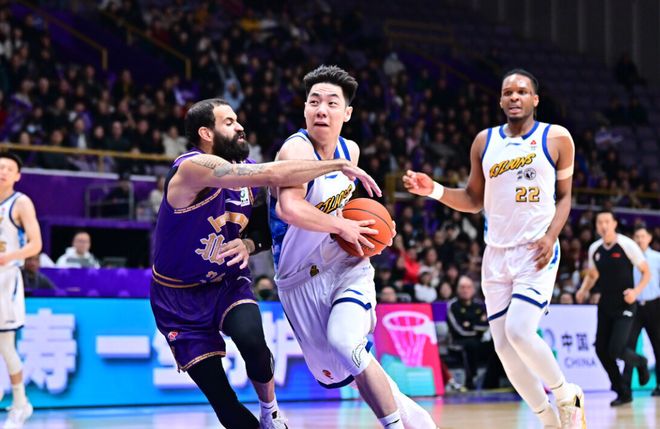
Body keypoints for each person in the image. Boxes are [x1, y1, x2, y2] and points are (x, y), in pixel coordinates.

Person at [150, 97, 380, 429]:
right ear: (206, 133)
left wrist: (248, 243)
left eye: (237, 120)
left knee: (254, 343)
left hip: (227, 283)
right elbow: (271, 172)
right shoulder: (192, 167)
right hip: (178, 297)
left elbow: (266, 223)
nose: (240, 126)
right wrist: (336, 164)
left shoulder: (246, 177)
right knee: (223, 401)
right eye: (229, 122)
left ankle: (270, 411)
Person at [404, 69, 586, 428]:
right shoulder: (484, 142)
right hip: (495, 254)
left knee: (520, 331)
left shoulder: (557, 138)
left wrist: (551, 236)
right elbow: (473, 200)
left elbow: (565, 198)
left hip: (535, 249)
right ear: (501, 100)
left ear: (535, 99)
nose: (514, 97)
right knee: (503, 347)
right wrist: (434, 190)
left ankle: (566, 394)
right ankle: (548, 420)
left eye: (522, 91)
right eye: (508, 92)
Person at [270, 65, 437, 429]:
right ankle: (420, 423)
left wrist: (378, 230)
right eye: (314, 101)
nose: (321, 110)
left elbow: (348, 213)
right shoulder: (295, 149)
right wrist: (340, 224)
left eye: (332, 103)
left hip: (345, 266)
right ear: (304, 109)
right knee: (343, 367)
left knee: (346, 342)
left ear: (347, 113)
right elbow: (289, 208)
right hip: (299, 280)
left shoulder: (352, 149)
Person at [576, 212, 651, 406]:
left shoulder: (627, 244)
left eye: (607, 222)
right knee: (601, 350)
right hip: (605, 305)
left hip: (625, 304)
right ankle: (622, 391)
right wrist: (583, 290)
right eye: (600, 222)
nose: (603, 225)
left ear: (614, 224)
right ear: (596, 226)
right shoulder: (595, 248)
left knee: (616, 349)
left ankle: (641, 362)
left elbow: (646, 272)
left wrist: (636, 292)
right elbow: (593, 274)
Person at [0, 152, 42, 428]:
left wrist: (8, 257)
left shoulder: (20, 202)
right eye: (0, 167)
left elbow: (36, 244)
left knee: (6, 345)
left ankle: (20, 403)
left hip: (6, 278)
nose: (2, 171)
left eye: (8, 168)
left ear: (17, 175)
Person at [622, 226, 660, 396]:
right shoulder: (629, 258)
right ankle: (625, 388)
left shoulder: (657, 258)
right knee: (628, 345)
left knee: (658, 346)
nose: (639, 239)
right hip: (634, 306)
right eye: (636, 236)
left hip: (655, 305)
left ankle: (659, 385)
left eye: (643, 236)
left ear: (649, 238)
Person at [446, 276, 499, 390]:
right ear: (457, 289)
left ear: (473, 289)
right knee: (470, 345)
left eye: (468, 287)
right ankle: (470, 382)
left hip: (478, 341)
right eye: (462, 287)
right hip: (457, 343)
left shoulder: (479, 305)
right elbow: (459, 330)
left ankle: (491, 383)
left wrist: (471, 325)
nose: (465, 290)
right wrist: (477, 326)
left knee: (498, 345)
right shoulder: (453, 306)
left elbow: (487, 324)